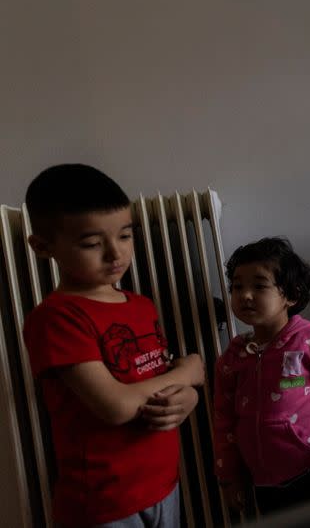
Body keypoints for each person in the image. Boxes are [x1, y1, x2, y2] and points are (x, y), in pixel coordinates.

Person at [23, 164, 206, 528]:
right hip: (104, 502)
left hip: (161, 483)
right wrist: (188, 373)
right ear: (42, 247)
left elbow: (156, 378)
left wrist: (189, 397)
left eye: (125, 235)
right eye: (91, 243)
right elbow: (117, 406)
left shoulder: (140, 305)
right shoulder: (58, 317)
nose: (115, 253)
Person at [213, 237, 310, 515]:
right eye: (237, 286)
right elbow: (223, 419)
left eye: (259, 285)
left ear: (291, 295)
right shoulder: (232, 358)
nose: (245, 295)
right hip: (263, 484)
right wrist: (228, 476)